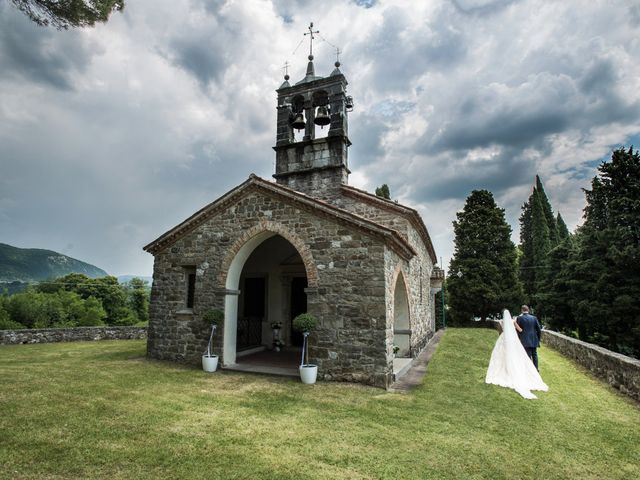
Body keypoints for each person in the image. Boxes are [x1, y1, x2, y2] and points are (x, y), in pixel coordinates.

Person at [485, 309, 548, 399]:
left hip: (504, 340)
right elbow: (520, 330)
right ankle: (533, 369)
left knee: (502, 355)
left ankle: (505, 369)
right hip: (513, 340)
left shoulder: (501, 321)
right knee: (521, 355)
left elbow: (500, 332)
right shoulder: (514, 321)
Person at [515, 305, 542, 370]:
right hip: (534, 339)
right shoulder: (534, 318)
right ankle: (536, 369)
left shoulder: (519, 318)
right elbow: (539, 329)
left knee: (528, 355)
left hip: (525, 339)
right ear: (528, 310)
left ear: (522, 310)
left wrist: (519, 338)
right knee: (534, 355)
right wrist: (538, 338)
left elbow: (518, 330)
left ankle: (529, 370)